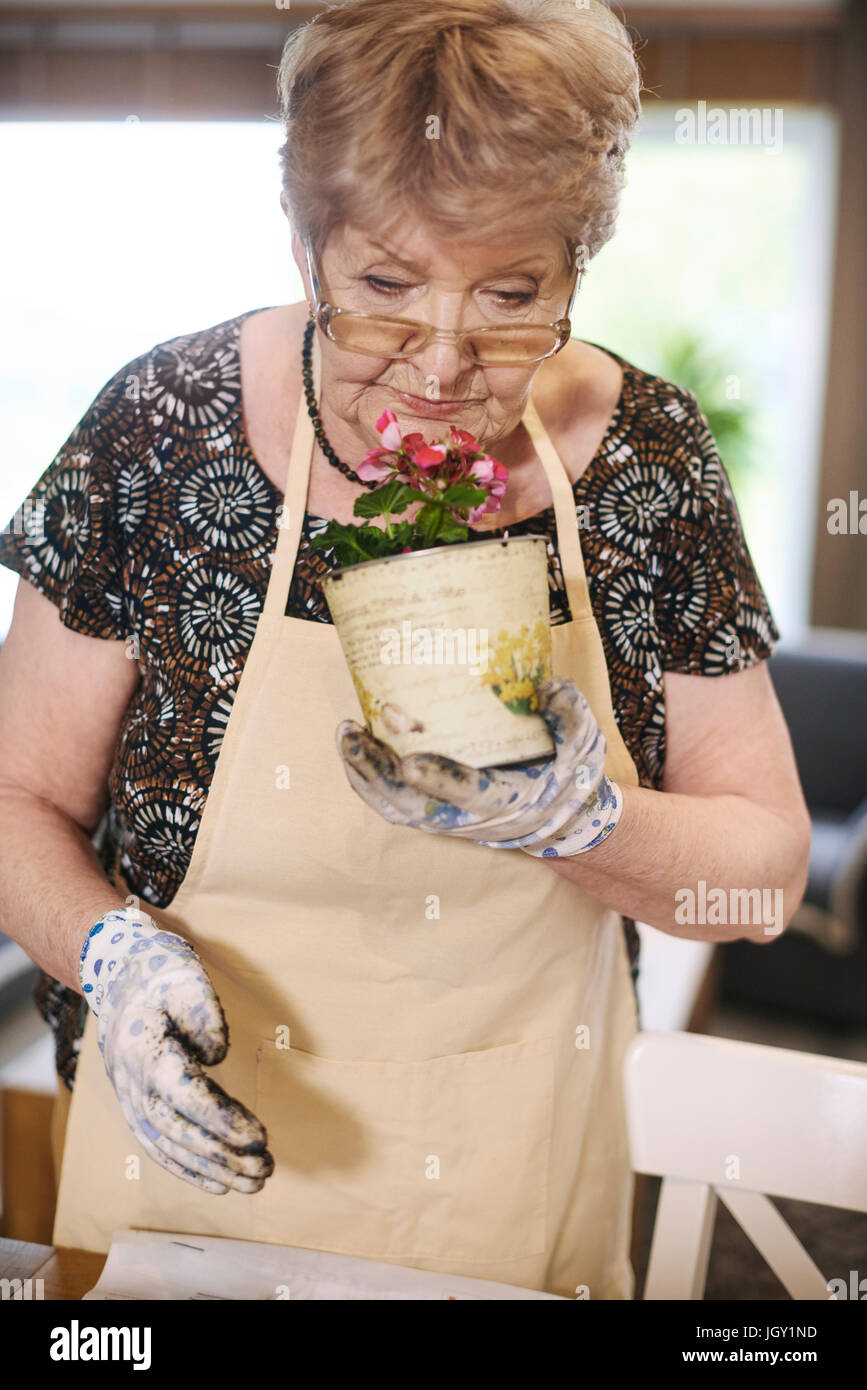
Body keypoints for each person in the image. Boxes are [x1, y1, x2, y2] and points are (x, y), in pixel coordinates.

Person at [0, 0, 809, 1298]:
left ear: (582, 257)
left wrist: (583, 819)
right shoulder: (163, 429)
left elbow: (762, 878)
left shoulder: (649, 457)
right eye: (382, 286)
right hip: (184, 1175)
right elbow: (14, 798)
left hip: (514, 1179)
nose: (439, 366)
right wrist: (109, 951)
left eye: (510, 294)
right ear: (302, 232)